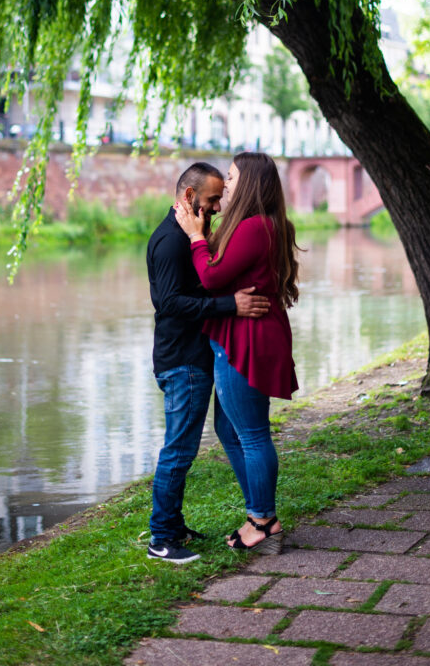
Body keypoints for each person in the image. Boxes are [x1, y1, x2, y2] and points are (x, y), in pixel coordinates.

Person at [175, 151, 299, 555]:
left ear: (249, 183)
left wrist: (195, 237)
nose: (226, 185)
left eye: (231, 177)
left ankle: (263, 521)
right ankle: (258, 514)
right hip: (240, 335)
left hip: (245, 339)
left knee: (250, 433)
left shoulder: (253, 227)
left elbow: (211, 276)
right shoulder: (261, 225)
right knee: (231, 431)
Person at [146, 161, 271, 564]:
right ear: (189, 197)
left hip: (192, 357)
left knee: (188, 445)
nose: (218, 206)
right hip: (182, 361)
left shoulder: (188, 236)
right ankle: (161, 538)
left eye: (221, 197)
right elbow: (169, 304)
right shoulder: (171, 241)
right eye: (213, 199)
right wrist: (230, 305)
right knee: (179, 450)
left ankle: (174, 524)